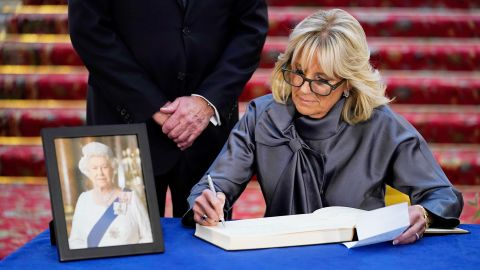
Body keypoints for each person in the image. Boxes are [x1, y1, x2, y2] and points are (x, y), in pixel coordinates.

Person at [185, 9, 463, 245]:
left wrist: (424, 213)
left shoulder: (381, 126)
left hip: (359, 254)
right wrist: (207, 200)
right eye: (298, 73)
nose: (304, 90)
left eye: (321, 80)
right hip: (281, 251)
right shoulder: (263, 116)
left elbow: (441, 195)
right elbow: (216, 184)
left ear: (347, 83)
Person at [68, 0, 269, 217]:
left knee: (206, 243)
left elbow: (250, 28)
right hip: (124, 119)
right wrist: (152, 104)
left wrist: (206, 101)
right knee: (123, 240)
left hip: (207, 127)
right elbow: (89, 29)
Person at [68, 142, 152, 249]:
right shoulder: (84, 199)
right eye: (94, 168)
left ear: (113, 169)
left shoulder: (130, 197)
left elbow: (148, 236)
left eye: (104, 167)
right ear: (88, 172)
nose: (100, 173)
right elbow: (76, 240)